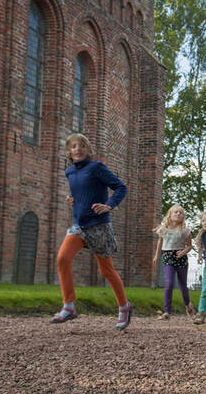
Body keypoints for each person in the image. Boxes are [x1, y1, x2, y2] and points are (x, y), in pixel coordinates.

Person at [52, 133, 132, 330]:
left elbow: (120, 187)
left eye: (81, 146)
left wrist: (109, 205)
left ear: (87, 150)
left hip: (99, 226)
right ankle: (69, 306)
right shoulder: (69, 173)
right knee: (62, 259)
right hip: (79, 226)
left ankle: (124, 306)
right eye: (73, 147)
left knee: (106, 270)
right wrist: (72, 199)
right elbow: (81, 192)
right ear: (69, 152)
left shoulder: (96, 168)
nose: (77, 149)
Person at [152, 204, 195, 320]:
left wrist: (183, 252)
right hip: (168, 257)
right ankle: (167, 311)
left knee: (182, 285)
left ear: (183, 217)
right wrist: (156, 255)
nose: (178, 214)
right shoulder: (163, 228)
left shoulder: (185, 230)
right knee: (169, 283)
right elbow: (160, 242)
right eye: (176, 212)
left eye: (181, 212)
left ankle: (188, 305)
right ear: (170, 215)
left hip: (181, 258)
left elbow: (190, 246)